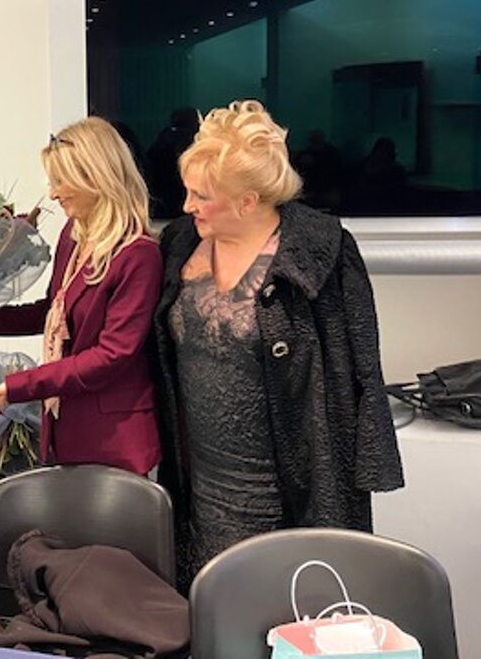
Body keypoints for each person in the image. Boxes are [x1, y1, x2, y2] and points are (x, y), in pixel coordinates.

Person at [151, 100, 403, 589]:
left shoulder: (322, 250)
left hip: (288, 488)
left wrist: (371, 467)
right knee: (204, 605)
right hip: (198, 485)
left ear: (247, 201)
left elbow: (362, 366)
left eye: (201, 196)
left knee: (288, 605)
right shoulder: (179, 243)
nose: (186, 206)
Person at [0, 117, 162, 475]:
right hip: (65, 427)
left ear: (96, 177)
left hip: (114, 440)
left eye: (61, 181)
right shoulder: (73, 235)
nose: (53, 194)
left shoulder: (139, 254)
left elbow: (112, 355)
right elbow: (50, 312)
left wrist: (17, 387)